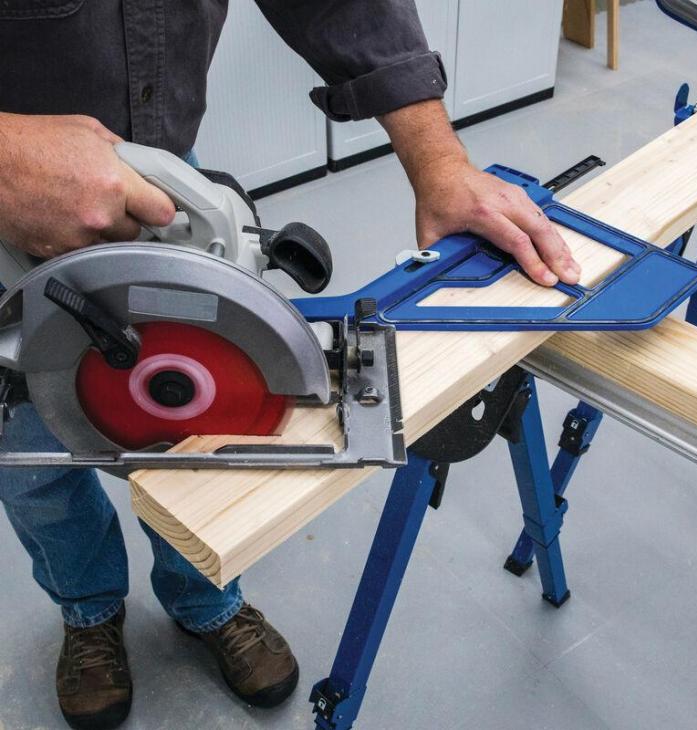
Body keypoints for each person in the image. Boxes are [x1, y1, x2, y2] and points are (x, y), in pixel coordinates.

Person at [0, 2, 581, 728]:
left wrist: (438, 161)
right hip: (8, 203)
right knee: (34, 460)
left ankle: (206, 598)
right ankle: (87, 610)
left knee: (209, 441)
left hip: (154, 178)